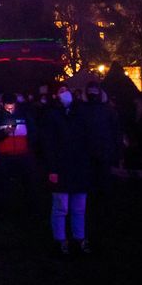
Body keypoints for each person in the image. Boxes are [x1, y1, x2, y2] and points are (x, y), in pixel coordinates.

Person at [39, 86, 94, 257]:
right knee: (61, 207)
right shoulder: (52, 115)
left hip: (79, 167)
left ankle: (79, 238)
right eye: (61, 90)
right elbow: (48, 144)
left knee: (79, 207)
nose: (65, 93)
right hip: (61, 167)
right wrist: (52, 168)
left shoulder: (80, 113)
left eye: (66, 90)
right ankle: (61, 239)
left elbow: (88, 139)